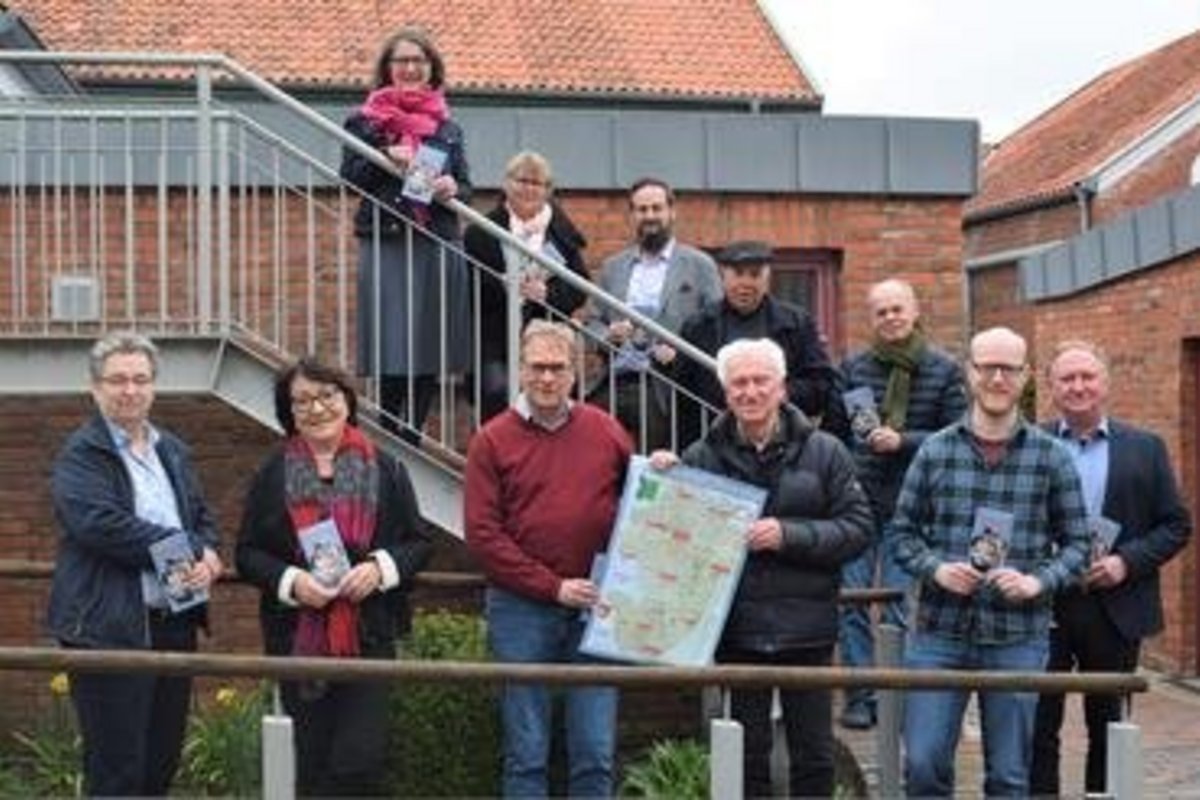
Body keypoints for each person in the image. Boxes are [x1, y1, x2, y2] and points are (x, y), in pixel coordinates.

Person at [658, 337, 872, 798]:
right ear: (725, 392)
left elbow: (857, 529)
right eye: (739, 383)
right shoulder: (701, 455)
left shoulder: (827, 451)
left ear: (782, 389)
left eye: (760, 381)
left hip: (808, 630)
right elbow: (681, 541)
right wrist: (666, 484)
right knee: (744, 756)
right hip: (738, 631)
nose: (750, 392)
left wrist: (789, 535)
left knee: (814, 755)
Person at [890, 326, 1091, 797]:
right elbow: (901, 534)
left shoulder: (1053, 458)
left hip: (1017, 635)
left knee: (1009, 776)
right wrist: (936, 568)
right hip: (939, 631)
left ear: (1025, 377)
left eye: (1009, 368)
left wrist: (1038, 582)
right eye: (987, 367)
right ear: (969, 373)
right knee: (921, 766)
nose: (997, 378)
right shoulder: (935, 451)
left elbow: (1079, 545)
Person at [236, 357, 431, 796]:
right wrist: (292, 582)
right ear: (289, 412)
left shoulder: (387, 469)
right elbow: (247, 553)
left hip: (370, 637)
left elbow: (418, 543)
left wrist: (379, 568)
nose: (316, 408)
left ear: (347, 401)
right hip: (298, 641)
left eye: (327, 395)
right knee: (313, 759)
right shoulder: (272, 474)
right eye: (302, 401)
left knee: (359, 760)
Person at [47, 331, 223, 797]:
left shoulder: (173, 450)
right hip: (109, 627)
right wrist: (187, 546)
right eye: (118, 380)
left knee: (159, 763)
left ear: (153, 386)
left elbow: (202, 517)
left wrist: (207, 552)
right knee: (117, 770)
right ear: (95, 388)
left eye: (140, 379)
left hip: (175, 619)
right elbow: (101, 525)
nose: (130, 390)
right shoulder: (81, 455)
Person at [464, 320, 633, 798]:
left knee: (595, 753)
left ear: (574, 373)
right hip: (521, 609)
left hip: (595, 607)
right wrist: (551, 586)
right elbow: (482, 535)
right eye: (537, 367)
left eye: (557, 368)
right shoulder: (491, 441)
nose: (546, 378)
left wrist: (659, 472)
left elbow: (639, 503)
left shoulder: (606, 431)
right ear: (520, 371)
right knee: (526, 753)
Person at [1030, 340, 1191, 796]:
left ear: (1106, 383)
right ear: (1052, 388)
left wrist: (1127, 561)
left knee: (1110, 727)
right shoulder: (1031, 445)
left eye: (1087, 377)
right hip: (1046, 605)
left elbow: (1176, 525)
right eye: (1067, 379)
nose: (1078, 386)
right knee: (1038, 723)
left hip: (1116, 607)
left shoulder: (1146, 448)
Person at [836, 278, 967, 729]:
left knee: (895, 603)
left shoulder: (943, 369)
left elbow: (958, 436)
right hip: (857, 501)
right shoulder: (853, 368)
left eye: (897, 309)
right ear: (871, 318)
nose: (890, 318)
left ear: (914, 312)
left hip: (912, 505)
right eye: (881, 311)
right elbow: (835, 433)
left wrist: (903, 440)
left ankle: (896, 693)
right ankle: (860, 694)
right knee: (850, 600)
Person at [340, 27, 472, 444]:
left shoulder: (447, 127)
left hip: (436, 240)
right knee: (392, 343)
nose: (411, 68)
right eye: (402, 61)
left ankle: (412, 437)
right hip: (389, 241)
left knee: (428, 346)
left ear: (431, 69)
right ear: (388, 69)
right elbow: (350, 179)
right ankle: (388, 433)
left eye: (419, 61)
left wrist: (453, 188)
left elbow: (467, 185)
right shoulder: (364, 121)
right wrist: (384, 158)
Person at [588, 177, 722, 450]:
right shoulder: (613, 267)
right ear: (632, 215)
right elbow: (592, 322)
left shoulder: (699, 265)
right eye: (642, 209)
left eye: (656, 208)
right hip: (613, 379)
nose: (650, 216)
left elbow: (717, 326)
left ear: (672, 212)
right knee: (586, 436)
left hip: (667, 385)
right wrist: (608, 335)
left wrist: (680, 353)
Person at [674, 239, 843, 447]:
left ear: (767, 278)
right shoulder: (698, 326)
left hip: (782, 444)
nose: (745, 284)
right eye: (737, 275)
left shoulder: (797, 323)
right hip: (713, 442)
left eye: (754, 275)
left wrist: (778, 394)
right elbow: (681, 391)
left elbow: (821, 384)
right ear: (723, 277)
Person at [464, 150, 590, 422]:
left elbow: (580, 288)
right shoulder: (482, 230)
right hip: (496, 337)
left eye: (537, 183)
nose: (528, 189)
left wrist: (547, 294)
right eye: (522, 181)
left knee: (557, 401)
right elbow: (469, 286)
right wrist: (502, 285)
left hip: (549, 335)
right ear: (506, 184)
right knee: (497, 391)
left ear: (548, 190)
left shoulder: (561, 233)